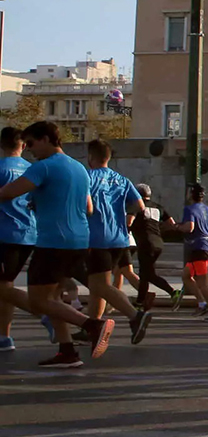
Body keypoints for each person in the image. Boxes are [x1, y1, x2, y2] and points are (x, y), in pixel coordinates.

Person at [82, 140, 153, 343]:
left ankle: (135, 316)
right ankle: (93, 326)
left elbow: (84, 205)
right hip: (120, 238)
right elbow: (140, 205)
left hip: (97, 238)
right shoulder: (121, 179)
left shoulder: (87, 177)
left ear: (90, 157)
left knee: (100, 285)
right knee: (98, 285)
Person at [0, 127, 36, 352]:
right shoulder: (32, 170)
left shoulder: (1, 168)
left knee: (4, 288)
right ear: (23, 145)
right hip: (29, 233)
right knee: (6, 285)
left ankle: (46, 314)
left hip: (5, 234)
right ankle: (4, 336)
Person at [178, 184, 208, 323]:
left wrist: (177, 227)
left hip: (199, 249)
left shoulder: (189, 209)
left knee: (202, 283)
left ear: (190, 195)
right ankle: (202, 303)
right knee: (186, 276)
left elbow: (189, 227)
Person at [128, 182, 178, 313]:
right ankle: (140, 303)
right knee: (146, 274)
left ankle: (173, 292)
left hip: (145, 243)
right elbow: (172, 223)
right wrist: (158, 229)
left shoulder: (137, 205)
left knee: (147, 274)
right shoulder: (158, 206)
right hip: (158, 242)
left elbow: (129, 222)